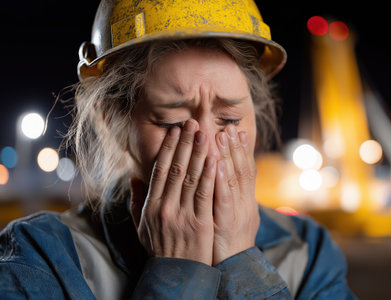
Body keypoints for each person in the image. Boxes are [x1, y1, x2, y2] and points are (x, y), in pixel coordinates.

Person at [0, 0, 357, 299]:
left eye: (230, 120)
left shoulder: (308, 252)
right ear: (111, 122)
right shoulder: (40, 256)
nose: (208, 149)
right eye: (172, 124)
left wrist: (242, 264)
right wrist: (177, 275)